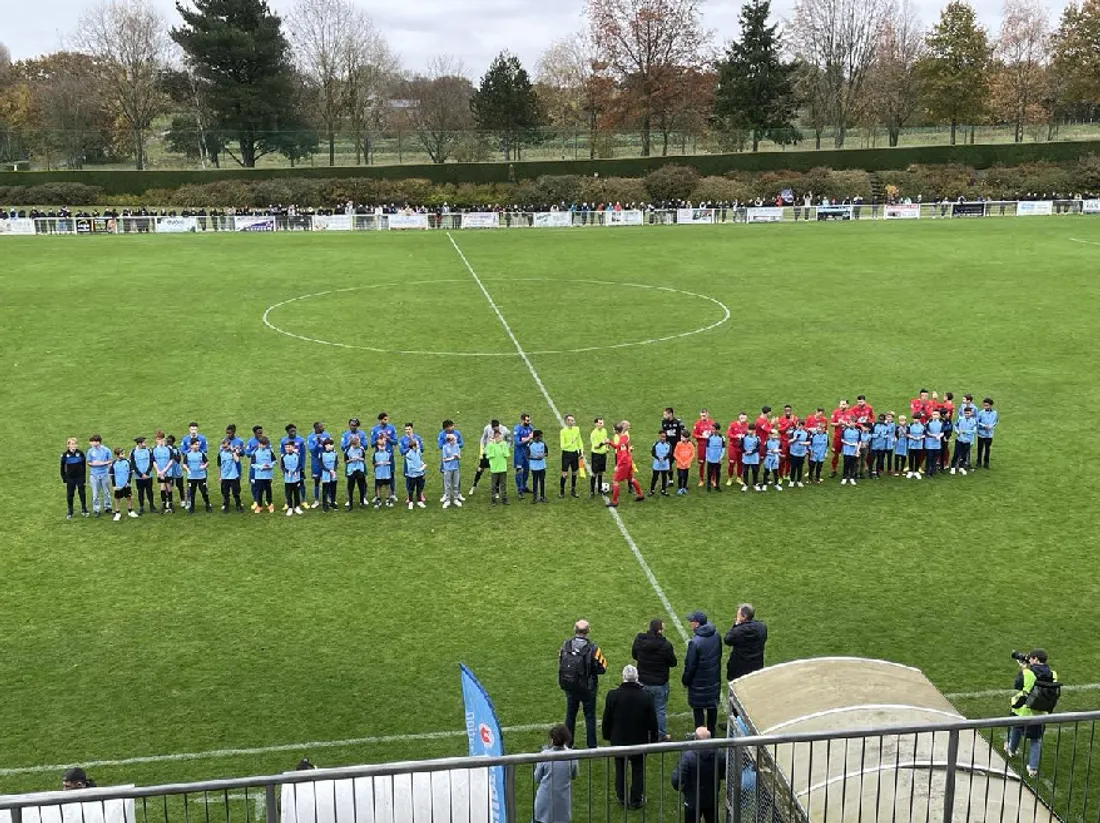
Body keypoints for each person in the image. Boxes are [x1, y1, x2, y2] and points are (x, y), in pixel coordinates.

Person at [601, 665, 658, 809]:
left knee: (620, 769)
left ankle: (621, 796)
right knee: (638, 770)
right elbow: (653, 722)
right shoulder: (646, 696)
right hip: (639, 741)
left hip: (618, 740)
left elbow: (607, 719)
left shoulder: (613, 695)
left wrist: (607, 735)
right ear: (637, 678)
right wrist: (654, 741)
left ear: (623, 677)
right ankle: (635, 799)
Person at [1006, 649, 1060, 778]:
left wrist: (1024, 669)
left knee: (1016, 729)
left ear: (1035, 659)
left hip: (1023, 710)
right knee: (1036, 740)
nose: (1029, 660)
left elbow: (1018, 685)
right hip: (1040, 713)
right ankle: (1033, 768)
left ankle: (1011, 750)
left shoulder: (1028, 673)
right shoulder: (1053, 674)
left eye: (1031, 658)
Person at [559, 619, 607, 748]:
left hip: (570, 686)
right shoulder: (593, 649)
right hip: (588, 688)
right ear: (588, 631)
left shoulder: (565, 645)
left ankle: (568, 744)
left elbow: (561, 662)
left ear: (575, 630)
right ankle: (592, 746)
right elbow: (602, 668)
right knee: (590, 716)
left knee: (570, 715)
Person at [632, 619, 677, 741]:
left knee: (643, 708)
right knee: (659, 709)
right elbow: (673, 662)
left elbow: (634, 655)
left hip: (642, 681)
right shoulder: (666, 645)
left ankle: (641, 733)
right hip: (659, 683)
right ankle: (660, 735)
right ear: (660, 630)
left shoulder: (640, 640)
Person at [671, 727, 726, 823]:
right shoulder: (719, 754)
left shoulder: (687, 757)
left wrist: (682, 785)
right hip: (711, 799)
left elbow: (677, 781)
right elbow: (722, 773)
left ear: (696, 739)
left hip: (692, 801)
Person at [682, 610, 721, 735]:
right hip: (713, 679)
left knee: (698, 710)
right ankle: (711, 734)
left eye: (692, 622)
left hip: (698, 684)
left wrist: (685, 680)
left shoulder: (695, 642)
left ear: (697, 624)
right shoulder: (716, 635)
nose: (690, 624)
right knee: (712, 707)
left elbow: (690, 665)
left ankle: (700, 737)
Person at [533, 725, 578, 823]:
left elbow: (537, 778)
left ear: (552, 740)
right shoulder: (572, 755)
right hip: (562, 804)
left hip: (544, 803)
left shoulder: (544, 755)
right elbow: (574, 775)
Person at [724, 604, 768, 681]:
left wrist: (736, 624)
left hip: (738, 670)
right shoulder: (762, 627)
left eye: (738, 615)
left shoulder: (738, 631)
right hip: (756, 667)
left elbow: (727, 640)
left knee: (735, 691)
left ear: (743, 617)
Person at [607, 422, 644, 507]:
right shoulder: (624, 437)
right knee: (631, 479)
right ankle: (640, 494)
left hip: (624, 464)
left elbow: (623, 455)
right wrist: (610, 442)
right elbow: (619, 447)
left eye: (613, 429)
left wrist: (618, 465)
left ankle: (614, 501)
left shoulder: (622, 440)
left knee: (615, 481)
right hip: (628, 461)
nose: (612, 430)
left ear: (616, 431)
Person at [472, 419, 510, 495]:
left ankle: (496, 492)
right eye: (492, 429)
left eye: (495, 429)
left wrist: (505, 449)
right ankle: (474, 486)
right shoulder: (487, 428)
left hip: (498, 455)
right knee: (480, 469)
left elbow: (509, 440)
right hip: (487, 452)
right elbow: (483, 439)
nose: (494, 430)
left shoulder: (505, 430)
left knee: (497, 471)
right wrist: (481, 451)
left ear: (498, 426)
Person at [437, 420, 465, 504]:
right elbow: (440, 446)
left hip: (455, 459)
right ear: (446, 428)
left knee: (456, 477)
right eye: (450, 426)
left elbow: (462, 444)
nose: (452, 427)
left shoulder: (457, 433)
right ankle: (446, 494)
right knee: (446, 478)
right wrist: (449, 443)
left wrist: (455, 445)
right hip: (446, 459)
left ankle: (458, 493)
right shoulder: (441, 435)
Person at [60, 437, 88, 519]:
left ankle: (84, 509)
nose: (74, 446)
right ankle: (70, 511)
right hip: (70, 478)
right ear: (68, 445)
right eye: (72, 444)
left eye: (75, 444)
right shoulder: (65, 455)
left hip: (79, 477)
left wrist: (84, 477)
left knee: (82, 493)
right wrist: (64, 478)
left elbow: (83, 466)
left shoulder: (80, 453)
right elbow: (62, 468)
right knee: (70, 495)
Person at [86, 434, 113, 517]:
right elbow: (88, 462)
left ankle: (108, 507)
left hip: (104, 474)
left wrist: (102, 463)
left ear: (98, 442)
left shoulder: (106, 450)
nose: (91, 443)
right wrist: (93, 463)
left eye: (92, 441)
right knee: (95, 494)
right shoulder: (90, 451)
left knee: (106, 492)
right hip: (94, 475)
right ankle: (96, 509)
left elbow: (111, 460)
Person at [307, 421, 332, 508]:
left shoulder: (327, 435)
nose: (323, 428)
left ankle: (329, 498)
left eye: (323, 426)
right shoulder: (310, 437)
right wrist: (318, 443)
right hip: (316, 462)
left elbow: (331, 447)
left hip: (326, 461)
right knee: (317, 481)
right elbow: (312, 451)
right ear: (316, 428)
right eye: (321, 427)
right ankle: (317, 500)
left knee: (328, 480)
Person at [559, 414, 584, 499]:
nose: (574, 421)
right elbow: (562, 446)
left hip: (574, 454)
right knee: (565, 474)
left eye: (573, 420)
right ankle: (561, 491)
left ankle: (573, 490)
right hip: (566, 455)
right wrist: (571, 442)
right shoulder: (563, 431)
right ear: (567, 421)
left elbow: (579, 440)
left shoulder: (577, 429)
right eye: (572, 420)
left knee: (574, 472)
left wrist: (581, 451)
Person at [183, 439, 211, 513]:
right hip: (191, 477)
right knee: (192, 493)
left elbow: (207, 462)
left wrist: (204, 466)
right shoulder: (188, 455)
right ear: (191, 445)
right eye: (196, 444)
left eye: (198, 444)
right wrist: (187, 469)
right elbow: (184, 464)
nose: (197, 446)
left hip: (201, 476)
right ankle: (192, 507)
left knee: (204, 492)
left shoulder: (201, 454)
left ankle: (208, 505)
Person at [110, 447, 138, 520]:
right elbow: (112, 475)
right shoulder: (114, 463)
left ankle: (130, 511)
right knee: (117, 499)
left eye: (124, 453)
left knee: (128, 497)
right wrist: (114, 485)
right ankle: (117, 512)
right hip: (118, 485)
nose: (123, 455)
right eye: (122, 454)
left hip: (126, 484)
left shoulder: (127, 462)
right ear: (117, 455)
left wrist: (128, 482)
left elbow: (130, 472)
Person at [152, 431, 177, 513]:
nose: (160, 441)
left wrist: (164, 470)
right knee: (162, 487)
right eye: (159, 439)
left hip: (167, 472)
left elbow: (172, 460)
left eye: (162, 439)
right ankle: (164, 505)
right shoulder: (154, 450)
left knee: (169, 487)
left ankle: (170, 504)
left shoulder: (168, 449)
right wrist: (159, 471)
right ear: (156, 440)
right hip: (160, 472)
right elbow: (153, 461)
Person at [130, 435, 155, 514]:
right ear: (139, 444)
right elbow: (133, 465)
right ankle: (141, 507)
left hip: (148, 475)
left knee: (149, 491)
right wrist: (141, 475)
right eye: (144, 443)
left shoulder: (149, 450)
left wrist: (147, 473)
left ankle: (152, 506)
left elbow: (151, 462)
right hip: (139, 477)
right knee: (140, 492)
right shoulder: (133, 452)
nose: (145, 444)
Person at [218, 438, 244, 512]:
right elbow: (219, 466)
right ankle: (226, 506)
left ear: (229, 445)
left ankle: (238, 506)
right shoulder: (220, 454)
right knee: (225, 493)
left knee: (236, 493)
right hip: (225, 477)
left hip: (233, 476)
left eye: (226, 447)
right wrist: (220, 476)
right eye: (223, 447)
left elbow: (237, 460)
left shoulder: (233, 452)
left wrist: (233, 452)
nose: (224, 449)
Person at [486, 429, 511, 505]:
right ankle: (493, 500)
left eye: (499, 436)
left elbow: (507, 454)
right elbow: (488, 455)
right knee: (494, 485)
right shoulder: (490, 445)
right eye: (497, 436)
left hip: (503, 468)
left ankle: (504, 499)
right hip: (494, 468)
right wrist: (494, 446)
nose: (499, 438)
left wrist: (502, 448)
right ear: (493, 437)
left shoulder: (504, 444)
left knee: (503, 485)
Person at [512, 413, 534, 497]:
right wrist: (528, 438)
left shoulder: (530, 427)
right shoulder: (517, 429)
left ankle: (524, 486)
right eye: (527, 420)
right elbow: (517, 443)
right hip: (519, 453)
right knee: (519, 471)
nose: (529, 422)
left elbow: (533, 439)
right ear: (522, 420)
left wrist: (531, 439)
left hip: (527, 452)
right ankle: (519, 489)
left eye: (529, 420)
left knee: (527, 470)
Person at [252, 436, 276, 513]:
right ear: (259, 444)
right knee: (259, 491)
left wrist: (270, 465)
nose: (263, 446)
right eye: (261, 444)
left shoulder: (269, 452)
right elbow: (253, 464)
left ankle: (269, 504)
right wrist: (261, 467)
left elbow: (274, 461)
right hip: (259, 476)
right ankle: (259, 506)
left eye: (264, 444)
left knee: (268, 490)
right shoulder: (255, 452)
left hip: (268, 475)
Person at [829, 400, 852, 477]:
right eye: (841, 404)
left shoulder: (851, 413)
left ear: (847, 405)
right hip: (838, 437)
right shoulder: (835, 412)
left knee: (848, 454)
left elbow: (853, 424)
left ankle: (847, 470)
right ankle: (834, 469)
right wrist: (839, 423)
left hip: (848, 437)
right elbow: (832, 424)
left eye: (844, 404)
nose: (842, 406)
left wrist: (845, 424)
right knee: (835, 454)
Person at [691, 409, 715, 486]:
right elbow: (694, 435)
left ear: (708, 414)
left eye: (704, 415)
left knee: (712, 463)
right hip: (701, 446)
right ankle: (701, 480)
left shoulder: (712, 423)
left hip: (711, 446)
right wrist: (702, 436)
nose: (702, 417)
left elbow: (716, 432)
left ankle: (713, 479)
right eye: (701, 416)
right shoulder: (697, 424)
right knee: (701, 463)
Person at [724, 413, 748, 486]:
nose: (742, 419)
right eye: (741, 418)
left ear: (746, 419)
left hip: (741, 448)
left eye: (744, 418)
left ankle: (738, 477)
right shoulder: (733, 424)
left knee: (740, 463)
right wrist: (736, 436)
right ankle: (730, 478)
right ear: (739, 417)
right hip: (733, 447)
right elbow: (728, 434)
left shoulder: (747, 426)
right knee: (732, 463)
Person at [281, 440, 304, 515]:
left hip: (296, 478)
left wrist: (296, 471)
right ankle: (290, 508)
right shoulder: (283, 456)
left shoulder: (297, 455)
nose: (287, 448)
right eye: (286, 447)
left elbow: (300, 465)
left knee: (296, 493)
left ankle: (297, 507)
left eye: (289, 447)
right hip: (287, 480)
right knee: (288, 494)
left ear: (293, 447)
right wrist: (287, 471)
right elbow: (282, 466)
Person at [344, 435, 368, 509]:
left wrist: (359, 458)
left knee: (362, 487)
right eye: (357, 444)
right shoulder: (348, 450)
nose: (359, 445)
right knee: (350, 488)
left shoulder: (361, 449)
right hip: (351, 471)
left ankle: (362, 502)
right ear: (353, 444)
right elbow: (346, 461)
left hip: (360, 469)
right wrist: (351, 460)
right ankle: (350, 503)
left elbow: (363, 458)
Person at [403, 436, 427, 510]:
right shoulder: (408, 455)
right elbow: (411, 467)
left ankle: (419, 501)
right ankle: (410, 502)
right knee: (411, 489)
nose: (418, 446)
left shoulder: (418, 451)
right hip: (412, 475)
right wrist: (421, 469)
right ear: (413, 447)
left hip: (420, 475)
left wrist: (422, 464)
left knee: (419, 488)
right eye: (416, 445)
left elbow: (419, 460)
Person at [440, 432, 463, 508]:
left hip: (456, 468)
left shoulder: (457, 446)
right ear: (450, 440)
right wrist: (453, 458)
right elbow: (444, 459)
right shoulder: (445, 447)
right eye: (454, 439)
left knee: (456, 484)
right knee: (447, 485)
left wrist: (457, 457)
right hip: (447, 469)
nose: (455, 440)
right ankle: (447, 500)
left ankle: (456, 499)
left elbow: (459, 457)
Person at [952, 406, 977, 474]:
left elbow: (974, 431)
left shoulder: (973, 421)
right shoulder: (960, 419)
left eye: (968, 413)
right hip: (959, 439)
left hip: (968, 441)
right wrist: (957, 432)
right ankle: (953, 467)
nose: (966, 414)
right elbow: (955, 426)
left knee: (964, 455)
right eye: (965, 413)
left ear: (971, 413)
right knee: (956, 454)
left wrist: (964, 431)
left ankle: (961, 467)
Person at [589, 417, 609, 498]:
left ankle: (600, 489)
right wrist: (602, 443)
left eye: (602, 423)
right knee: (594, 473)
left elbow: (606, 440)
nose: (602, 424)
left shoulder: (604, 430)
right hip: (596, 455)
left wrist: (607, 446)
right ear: (596, 424)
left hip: (603, 454)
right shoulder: (593, 433)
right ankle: (592, 491)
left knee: (601, 472)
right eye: (600, 423)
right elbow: (595, 447)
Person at [976, 397, 998, 468]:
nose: (985, 407)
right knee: (980, 448)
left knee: (987, 449)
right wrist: (984, 426)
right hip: (981, 434)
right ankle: (979, 462)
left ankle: (986, 462)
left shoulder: (995, 413)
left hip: (989, 434)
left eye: (987, 405)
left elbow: (996, 421)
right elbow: (977, 422)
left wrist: (991, 426)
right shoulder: (980, 413)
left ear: (991, 405)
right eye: (984, 405)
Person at [528, 430, 549, 503]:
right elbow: (527, 456)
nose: (541, 438)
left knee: (542, 481)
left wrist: (543, 455)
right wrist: (536, 458)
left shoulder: (543, 443)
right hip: (534, 467)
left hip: (542, 466)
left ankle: (542, 496)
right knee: (535, 482)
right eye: (540, 436)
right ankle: (534, 497)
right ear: (536, 437)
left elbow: (546, 453)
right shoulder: (530, 445)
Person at [372, 437, 394, 507]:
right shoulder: (375, 454)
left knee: (387, 486)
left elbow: (390, 462)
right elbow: (374, 463)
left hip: (387, 474)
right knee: (378, 487)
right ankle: (378, 499)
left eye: (383, 445)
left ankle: (388, 499)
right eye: (380, 445)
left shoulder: (388, 454)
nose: (382, 447)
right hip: (379, 474)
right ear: (377, 446)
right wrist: (377, 464)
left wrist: (386, 462)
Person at [319, 438, 339, 511]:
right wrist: (328, 470)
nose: (331, 446)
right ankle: (324, 505)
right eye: (330, 444)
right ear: (326, 446)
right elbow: (321, 465)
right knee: (325, 490)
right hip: (326, 474)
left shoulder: (335, 453)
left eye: (332, 444)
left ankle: (333, 502)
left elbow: (336, 462)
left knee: (333, 489)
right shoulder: (321, 454)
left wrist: (334, 470)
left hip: (333, 473)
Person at [649, 430, 672, 496]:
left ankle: (663, 490)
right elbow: (653, 453)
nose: (663, 438)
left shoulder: (668, 444)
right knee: (655, 477)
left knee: (664, 477)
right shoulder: (655, 444)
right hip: (657, 463)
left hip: (665, 463)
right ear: (659, 436)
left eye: (664, 437)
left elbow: (670, 453)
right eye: (661, 437)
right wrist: (658, 458)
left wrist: (664, 458)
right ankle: (652, 490)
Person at [740, 424, 761, 492]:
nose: (751, 431)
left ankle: (755, 484)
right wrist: (745, 452)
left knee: (755, 471)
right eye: (750, 430)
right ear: (747, 430)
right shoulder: (743, 437)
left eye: (753, 430)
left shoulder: (757, 438)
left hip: (754, 458)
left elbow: (758, 448)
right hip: (746, 458)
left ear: (755, 430)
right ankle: (745, 484)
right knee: (745, 471)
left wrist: (751, 452)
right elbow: (740, 446)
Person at [923, 409, 944, 478]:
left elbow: (942, 432)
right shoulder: (928, 422)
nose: (935, 416)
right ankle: (928, 472)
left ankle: (933, 470)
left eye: (936, 414)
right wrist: (935, 436)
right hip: (929, 444)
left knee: (935, 458)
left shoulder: (941, 423)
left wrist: (939, 436)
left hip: (937, 444)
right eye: (934, 414)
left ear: (939, 415)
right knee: (929, 458)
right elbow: (927, 432)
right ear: (931, 415)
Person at [788, 421, 809, 487]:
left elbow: (809, 442)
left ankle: (799, 481)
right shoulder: (793, 432)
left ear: (803, 426)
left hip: (802, 454)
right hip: (793, 453)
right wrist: (794, 439)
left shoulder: (806, 433)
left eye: (801, 425)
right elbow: (789, 441)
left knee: (800, 468)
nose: (799, 427)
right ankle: (792, 480)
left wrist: (803, 443)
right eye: (798, 425)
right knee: (793, 467)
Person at [674, 431, 694, 495]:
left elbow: (692, 455)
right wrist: (681, 462)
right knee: (680, 476)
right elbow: (675, 454)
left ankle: (684, 487)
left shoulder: (690, 445)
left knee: (685, 476)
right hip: (680, 464)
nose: (681, 438)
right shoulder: (678, 444)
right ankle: (680, 488)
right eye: (681, 437)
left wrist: (686, 462)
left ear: (687, 438)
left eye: (683, 437)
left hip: (686, 465)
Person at [840, 421, 861, 485]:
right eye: (850, 422)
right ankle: (844, 478)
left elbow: (859, 441)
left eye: (853, 422)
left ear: (855, 423)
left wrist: (857, 450)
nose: (852, 424)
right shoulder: (845, 430)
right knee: (846, 464)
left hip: (854, 451)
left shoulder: (858, 431)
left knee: (853, 465)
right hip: (847, 450)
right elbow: (842, 440)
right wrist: (850, 444)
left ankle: (852, 478)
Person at [704, 425, 724, 491]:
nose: (712, 430)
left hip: (718, 459)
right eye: (711, 429)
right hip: (710, 459)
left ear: (718, 430)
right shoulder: (709, 437)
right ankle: (708, 485)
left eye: (713, 429)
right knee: (709, 472)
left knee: (718, 472)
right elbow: (707, 448)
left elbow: (723, 449)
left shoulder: (722, 438)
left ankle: (717, 485)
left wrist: (720, 458)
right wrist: (707, 458)